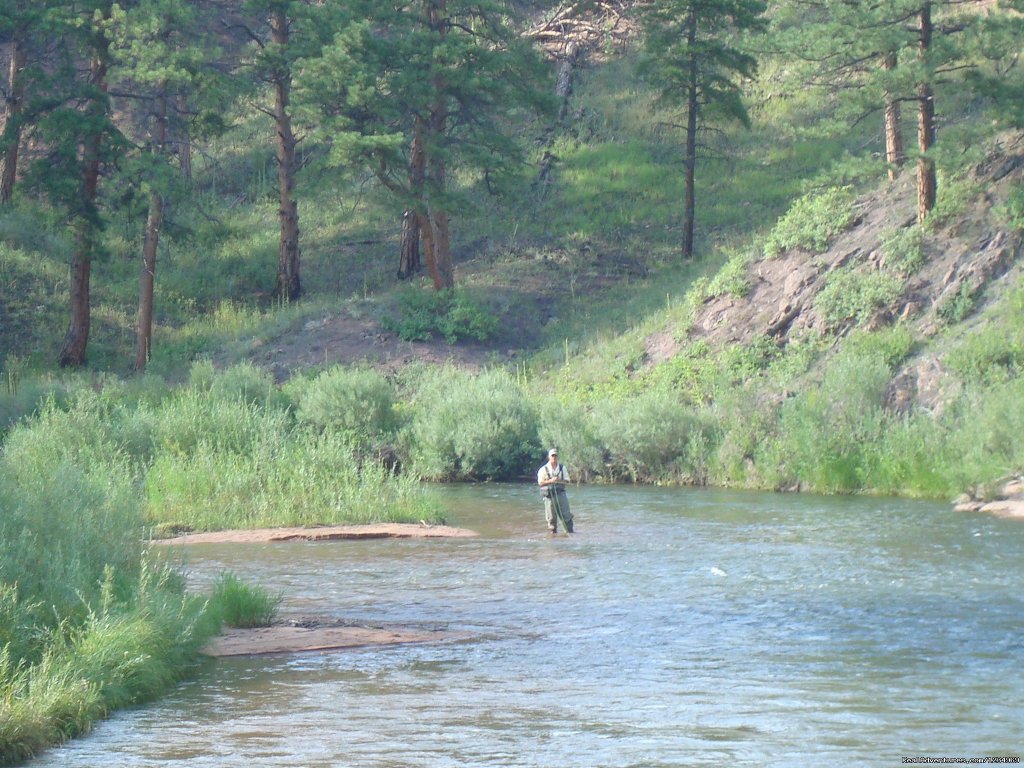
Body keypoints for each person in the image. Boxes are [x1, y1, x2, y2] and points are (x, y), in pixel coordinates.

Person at [537, 448, 573, 534]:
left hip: (561, 495)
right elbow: (540, 483)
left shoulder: (562, 468)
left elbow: (568, 481)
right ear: (549, 457)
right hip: (549, 496)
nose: (554, 457)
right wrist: (550, 481)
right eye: (552, 456)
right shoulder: (543, 469)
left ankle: (569, 534)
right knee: (551, 519)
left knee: (566, 516)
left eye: (555, 455)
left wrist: (559, 480)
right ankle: (553, 537)